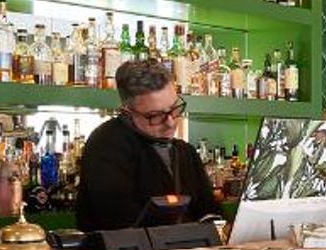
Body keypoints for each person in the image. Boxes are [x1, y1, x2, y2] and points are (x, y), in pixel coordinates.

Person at [74, 57, 224, 233]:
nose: (170, 122)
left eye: (174, 108)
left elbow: (211, 212)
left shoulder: (185, 152)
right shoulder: (106, 145)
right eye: (155, 116)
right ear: (126, 111)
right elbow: (120, 224)